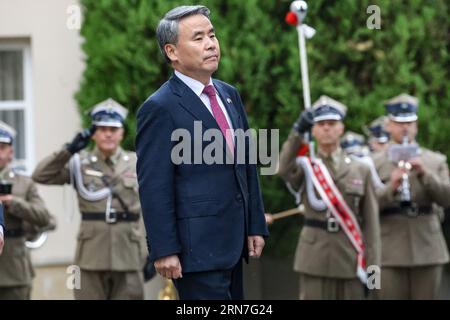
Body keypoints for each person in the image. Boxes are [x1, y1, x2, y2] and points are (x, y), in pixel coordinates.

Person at [136, 5, 268, 300]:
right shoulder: (160, 107)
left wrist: (255, 224)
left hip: (233, 246)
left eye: (212, 35)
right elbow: (154, 186)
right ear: (172, 52)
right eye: (198, 38)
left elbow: (246, 165)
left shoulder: (229, 95)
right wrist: (164, 249)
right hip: (194, 252)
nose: (211, 44)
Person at [32, 98, 147, 300]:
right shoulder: (79, 163)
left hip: (128, 253)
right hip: (91, 256)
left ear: (122, 132)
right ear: (93, 133)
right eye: (102, 129)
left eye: (113, 128)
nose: (108, 134)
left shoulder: (137, 162)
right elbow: (40, 175)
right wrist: (68, 150)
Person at [278, 96, 380, 300]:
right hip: (314, 260)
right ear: (313, 130)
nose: (326, 129)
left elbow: (372, 226)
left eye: (332, 124)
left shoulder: (361, 169)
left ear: (341, 128)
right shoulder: (307, 166)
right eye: (320, 124)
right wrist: (297, 131)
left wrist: (373, 277)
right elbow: (283, 168)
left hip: (350, 261)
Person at [373, 93, 450, 299]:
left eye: (409, 123)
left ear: (416, 125)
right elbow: (365, 207)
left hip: (428, 248)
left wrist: (425, 174)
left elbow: (447, 198)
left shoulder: (435, 160)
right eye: (399, 123)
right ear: (388, 125)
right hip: (389, 251)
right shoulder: (373, 163)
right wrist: (392, 187)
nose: (404, 128)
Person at [0, 121, 52, 299]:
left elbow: (45, 217)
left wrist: (14, 203)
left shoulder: (24, 182)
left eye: (2, 147)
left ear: (11, 152)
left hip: (14, 269)